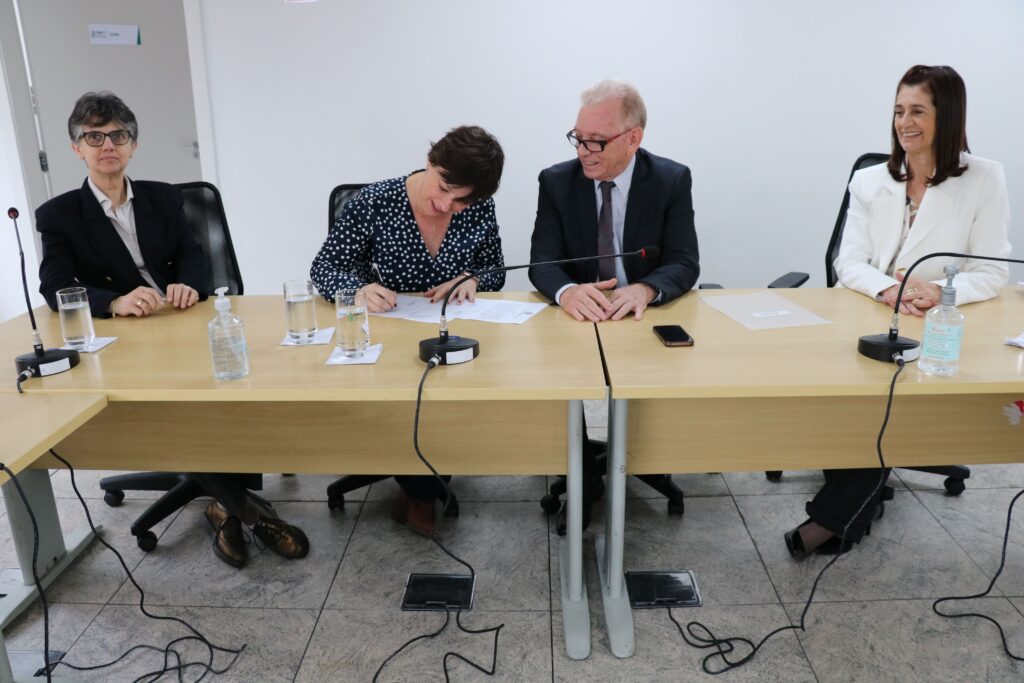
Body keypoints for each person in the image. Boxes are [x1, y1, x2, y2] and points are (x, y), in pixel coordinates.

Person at [36, 91, 309, 569]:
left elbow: (194, 255)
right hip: (127, 340)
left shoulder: (163, 197)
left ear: (133, 144)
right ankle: (248, 512)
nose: (107, 145)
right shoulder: (59, 214)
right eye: (93, 136)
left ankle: (223, 503)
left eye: (118, 135)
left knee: (231, 387)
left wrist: (189, 285)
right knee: (179, 412)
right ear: (76, 147)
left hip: (182, 324)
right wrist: (114, 301)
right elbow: (56, 287)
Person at [787, 65, 1011, 559]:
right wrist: (893, 288)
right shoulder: (871, 181)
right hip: (871, 314)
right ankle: (852, 506)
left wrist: (939, 292)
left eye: (918, 112)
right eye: (898, 112)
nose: (904, 123)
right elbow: (847, 263)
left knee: (880, 404)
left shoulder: (984, 179)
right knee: (853, 399)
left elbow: (993, 273)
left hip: (938, 327)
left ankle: (836, 518)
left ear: (946, 116)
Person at [311, 125, 505, 535]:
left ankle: (424, 478)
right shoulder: (376, 202)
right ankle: (419, 491)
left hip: (453, 332)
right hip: (388, 333)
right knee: (415, 400)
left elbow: (495, 268)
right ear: (430, 161)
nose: (446, 204)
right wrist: (358, 289)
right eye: (443, 188)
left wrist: (473, 279)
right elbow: (323, 268)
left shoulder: (477, 207)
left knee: (462, 399)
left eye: (461, 201)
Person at [528, 79, 700, 529]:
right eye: (578, 138)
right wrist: (567, 292)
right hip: (579, 323)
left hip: (640, 320)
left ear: (633, 139)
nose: (584, 151)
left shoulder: (670, 179)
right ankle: (585, 482)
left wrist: (644, 289)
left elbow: (684, 262)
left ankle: (638, 455)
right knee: (566, 391)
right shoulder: (556, 182)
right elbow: (542, 263)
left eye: (596, 142)